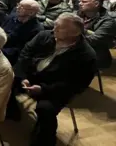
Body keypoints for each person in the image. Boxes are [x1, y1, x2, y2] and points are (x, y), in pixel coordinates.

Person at [13, 13, 96, 146]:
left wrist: (43, 89)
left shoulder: (86, 55)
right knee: (5, 79)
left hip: (54, 88)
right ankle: (10, 111)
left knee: (45, 109)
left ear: (75, 33)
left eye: (59, 28)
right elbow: (25, 53)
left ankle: (44, 142)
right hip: (31, 76)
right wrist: (23, 77)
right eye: (55, 25)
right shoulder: (45, 35)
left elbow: (76, 85)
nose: (54, 29)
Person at [78, 0, 116, 68]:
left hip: (95, 56)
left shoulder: (108, 20)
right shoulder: (76, 14)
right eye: (80, 1)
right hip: (76, 51)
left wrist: (80, 30)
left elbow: (95, 39)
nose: (80, 4)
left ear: (96, 4)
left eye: (84, 2)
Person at [1, 0, 43, 65]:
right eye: (18, 5)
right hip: (0, 43)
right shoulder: (11, 17)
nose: (17, 8)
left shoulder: (36, 29)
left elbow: (24, 49)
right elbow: (1, 30)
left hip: (12, 55)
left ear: (31, 13)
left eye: (22, 7)